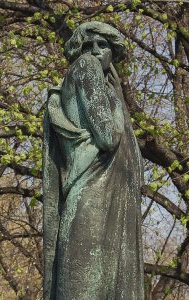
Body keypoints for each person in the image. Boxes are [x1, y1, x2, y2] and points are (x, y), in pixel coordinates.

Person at [43, 21, 144, 300]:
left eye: (103, 45)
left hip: (106, 193)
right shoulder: (85, 67)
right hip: (94, 191)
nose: (95, 51)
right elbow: (108, 136)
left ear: (113, 51)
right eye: (89, 45)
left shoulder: (108, 86)